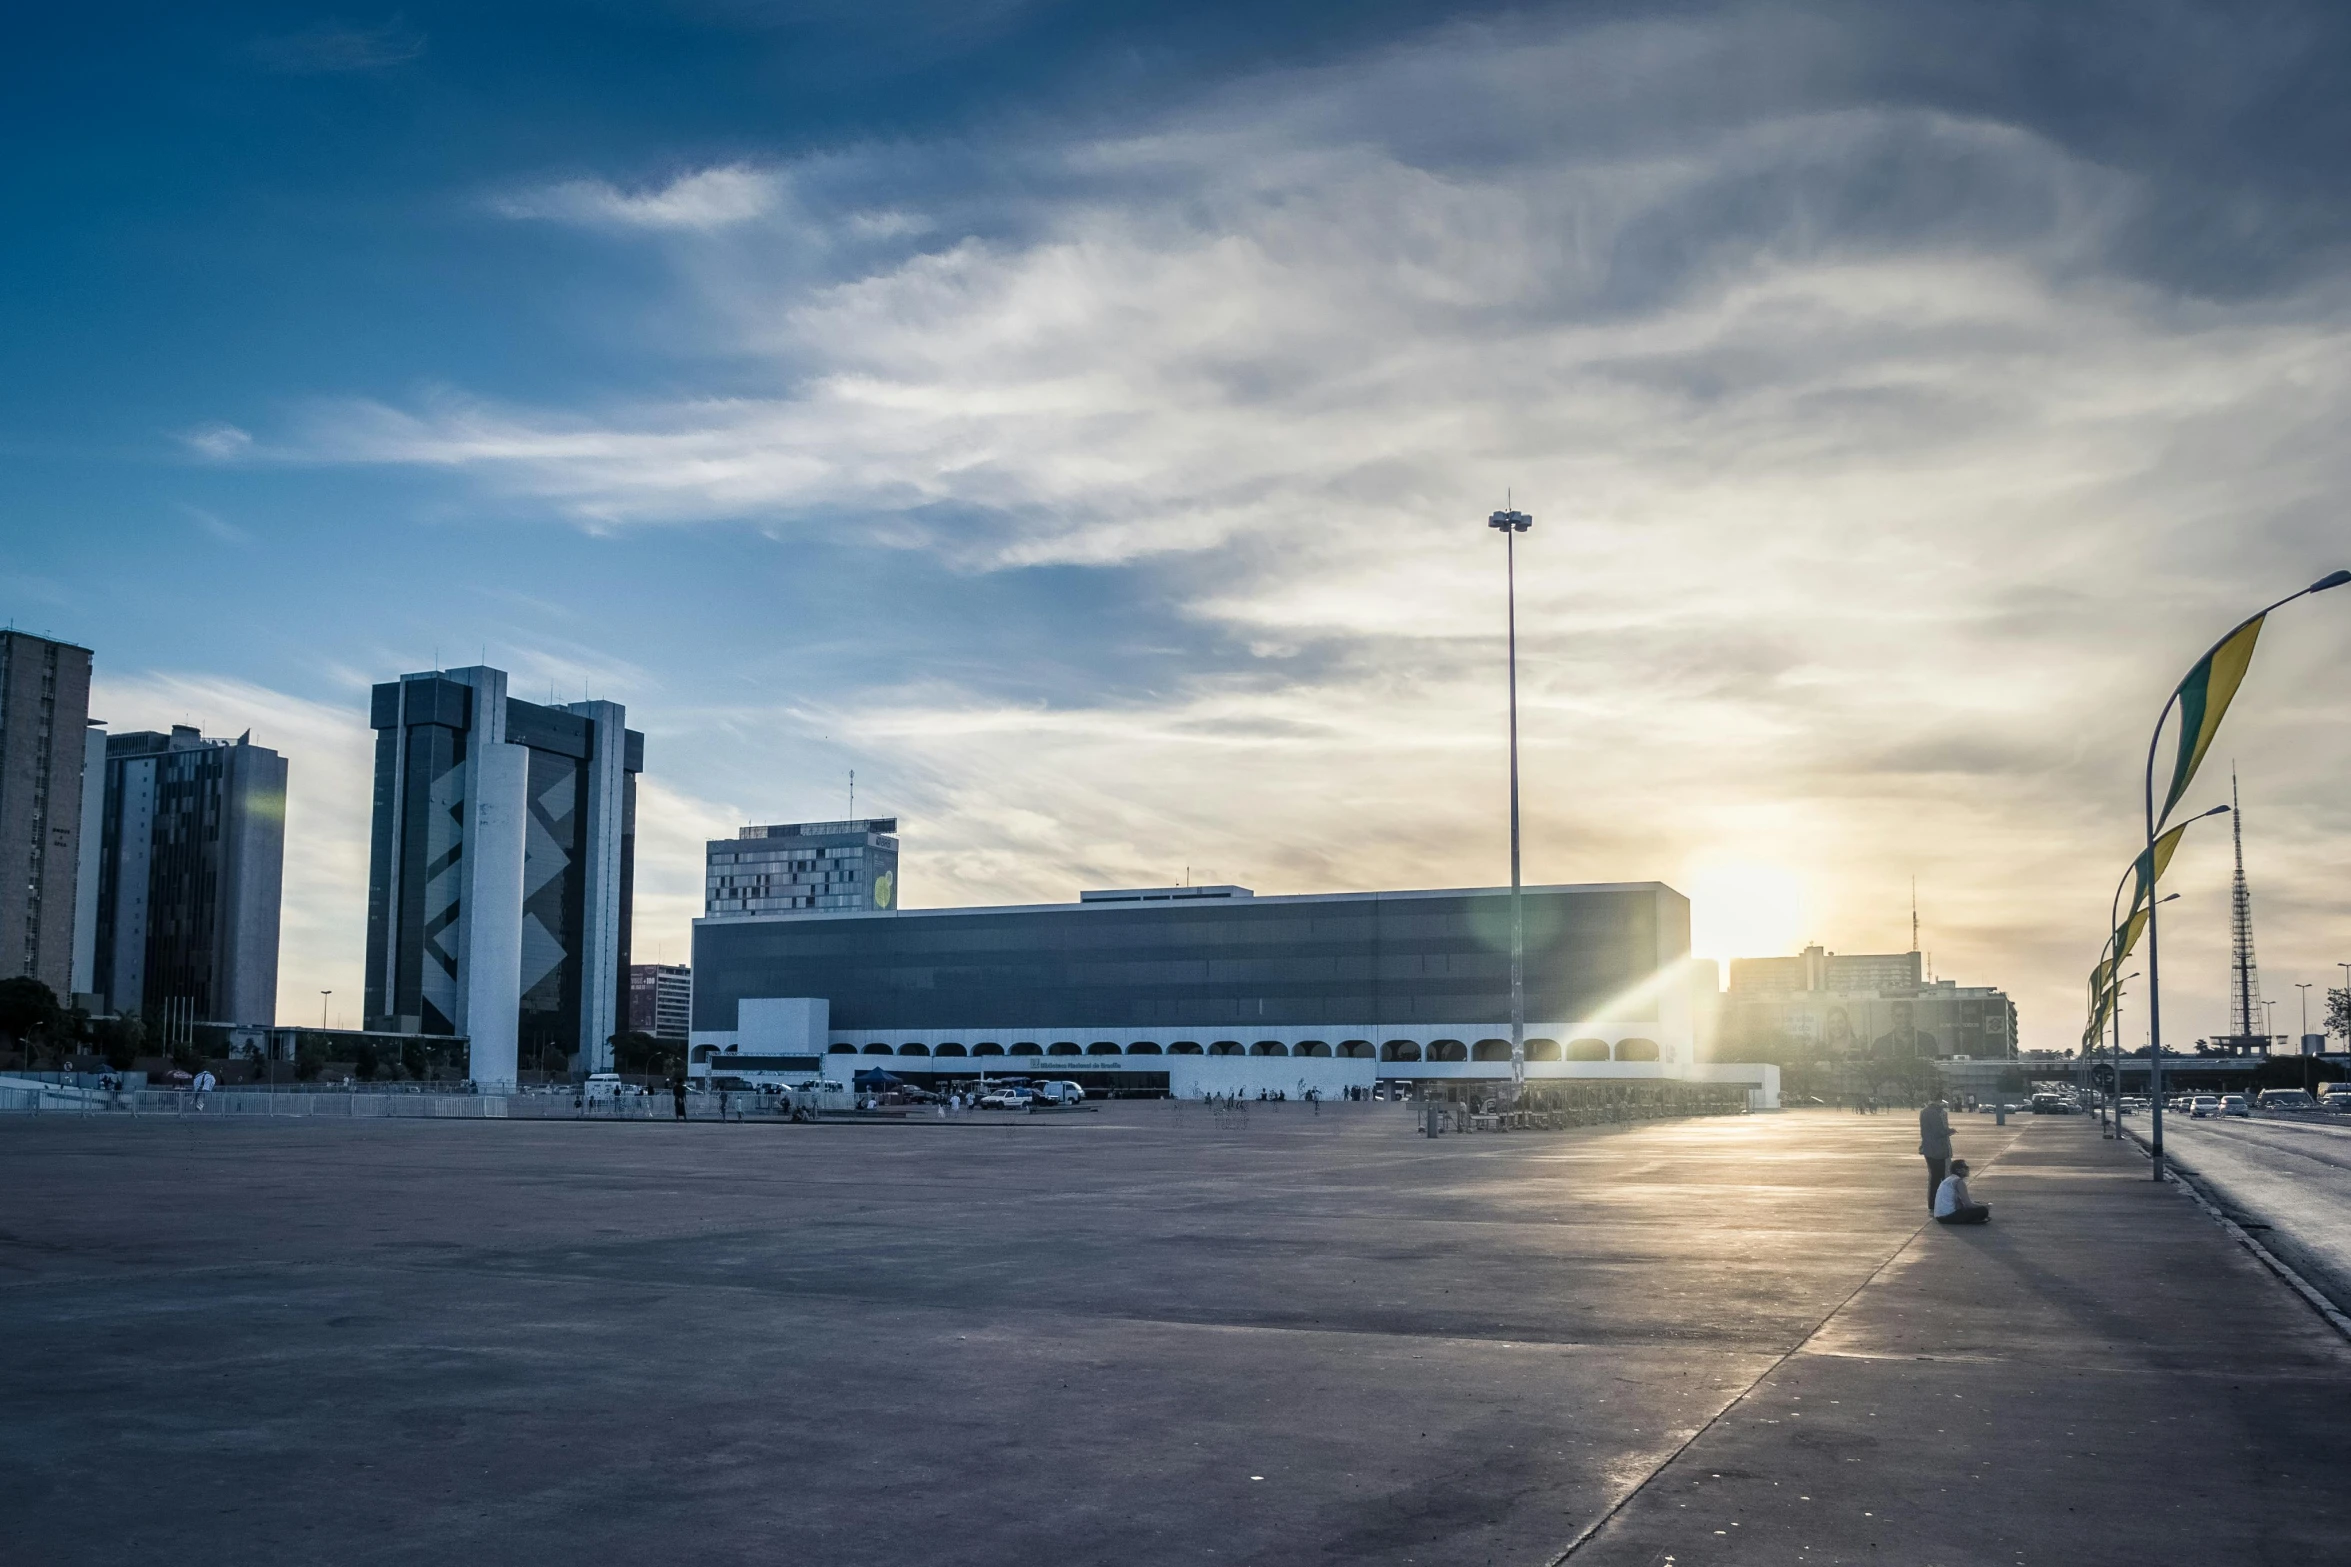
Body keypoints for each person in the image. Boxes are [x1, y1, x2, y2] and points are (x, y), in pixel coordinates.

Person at [1919, 1094, 1953, 1209]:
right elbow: (1938, 1131)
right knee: (1938, 1178)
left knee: (1933, 1177)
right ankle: (1936, 1203)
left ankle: (1932, 1203)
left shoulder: (1924, 1111)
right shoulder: (1935, 1113)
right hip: (1937, 1149)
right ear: (1938, 1101)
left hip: (1928, 1148)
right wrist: (1949, 1131)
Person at [1933, 1159, 1991, 1225]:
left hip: (1939, 1216)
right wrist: (1985, 1206)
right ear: (1958, 1170)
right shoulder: (1959, 1182)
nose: (1968, 1169)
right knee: (1983, 1210)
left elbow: (1959, 1202)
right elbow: (1968, 1204)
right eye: (1966, 1167)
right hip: (1948, 1216)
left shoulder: (1949, 1179)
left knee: (1977, 1204)